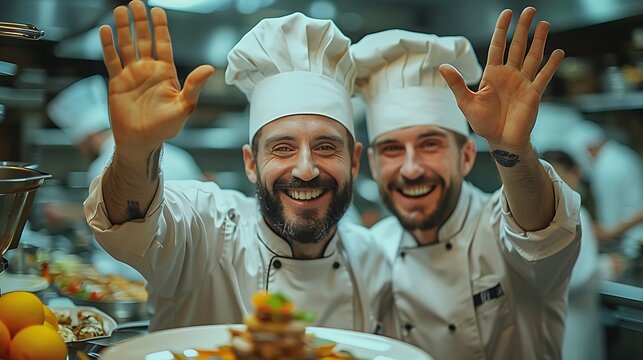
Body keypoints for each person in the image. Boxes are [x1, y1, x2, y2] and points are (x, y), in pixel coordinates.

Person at [83, 0, 390, 332]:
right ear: (251, 163)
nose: (305, 169)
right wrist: (135, 152)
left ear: (356, 161)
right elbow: (129, 223)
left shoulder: (370, 260)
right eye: (283, 148)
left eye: (326, 147)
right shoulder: (208, 231)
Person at [353, 7, 581, 359]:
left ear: (467, 157)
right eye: (392, 149)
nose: (411, 169)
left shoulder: (501, 230)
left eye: (430, 144)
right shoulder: (371, 252)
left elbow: (540, 233)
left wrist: (513, 151)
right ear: (372, 163)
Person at [47, 75, 204, 184]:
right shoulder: (180, 157)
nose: (81, 152)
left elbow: (110, 226)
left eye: (80, 146)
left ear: (90, 136)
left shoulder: (102, 169)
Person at [567, 120, 643, 258]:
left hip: (632, 242)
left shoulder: (606, 168)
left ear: (588, 148)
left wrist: (601, 233)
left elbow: (610, 222)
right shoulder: (620, 154)